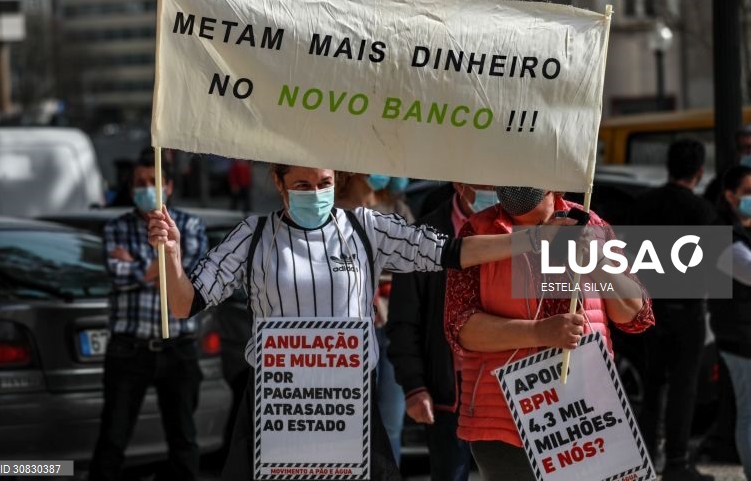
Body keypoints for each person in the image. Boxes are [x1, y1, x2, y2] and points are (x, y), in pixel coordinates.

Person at [147, 165, 575, 480]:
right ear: (278, 184)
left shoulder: (365, 226)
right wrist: (171, 255)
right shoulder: (253, 234)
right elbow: (185, 304)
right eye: (301, 186)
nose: (314, 193)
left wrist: (530, 241)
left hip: (348, 398)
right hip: (277, 401)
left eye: (324, 184)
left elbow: (449, 253)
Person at [444, 186, 655, 481]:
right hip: (505, 419)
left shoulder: (590, 224)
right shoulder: (478, 231)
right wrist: (539, 332)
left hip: (586, 413)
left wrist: (598, 263)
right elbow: (460, 326)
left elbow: (636, 316)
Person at [90, 149, 208, 481]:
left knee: (184, 439)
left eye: (152, 181)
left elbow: (190, 276)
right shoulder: (116, 227)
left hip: (179, 348)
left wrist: (140, 264)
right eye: (139, 183)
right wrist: (166, 263)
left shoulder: (190, 225)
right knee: (112, 439)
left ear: (168, 186)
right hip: (129, 349)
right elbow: (119, 275)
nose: (145, 188)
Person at [387, 182, 497, 481]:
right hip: (450, 389)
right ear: (461, 185)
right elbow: (403, 319)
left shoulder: (516, 229)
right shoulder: (421, 237)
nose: (496, 190)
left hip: (507, 383)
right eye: (486, 185)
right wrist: (414, 386)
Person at [627, 139, 715, 480]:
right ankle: (677, 462)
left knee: (654, 386)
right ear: (698, 171)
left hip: (649, 307)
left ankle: (646, 456)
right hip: (688, 309)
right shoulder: (702, 211)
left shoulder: (644, 205)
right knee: (684, 386)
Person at [335, 172, 415, 466]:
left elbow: (413, 261)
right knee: (355, 421)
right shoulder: (333, 210)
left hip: (394, 327)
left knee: (391, 423)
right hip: (352, 330)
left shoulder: (396, 207)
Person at [711, 165, 751, 480]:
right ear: (730, 195)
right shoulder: (723, 233)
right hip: (739, 337)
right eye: (748, 192)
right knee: (749, 413)